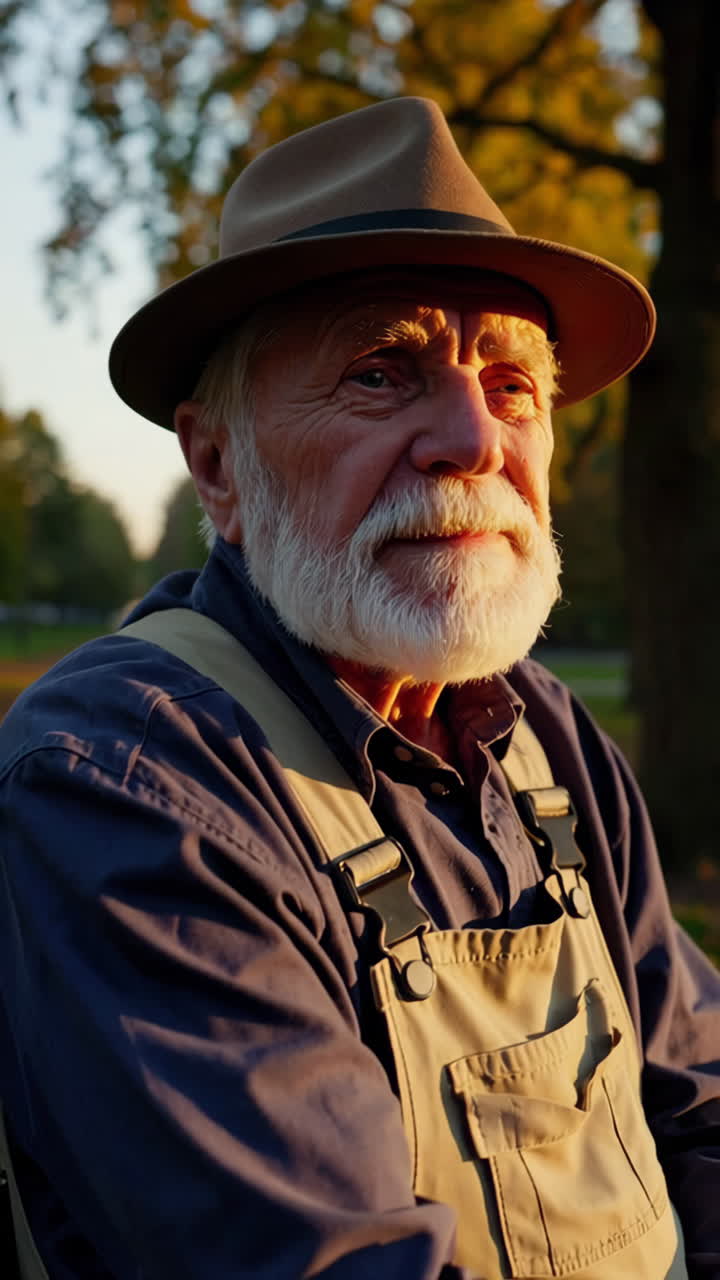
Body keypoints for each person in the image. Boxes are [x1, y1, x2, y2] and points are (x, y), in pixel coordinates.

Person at [0, 96, 718, 1280]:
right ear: (216, 463)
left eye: (513, 383)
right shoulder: (126, 779)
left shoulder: (545, 736)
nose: (473, 440)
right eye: (384, 372)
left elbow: (698, 1098)